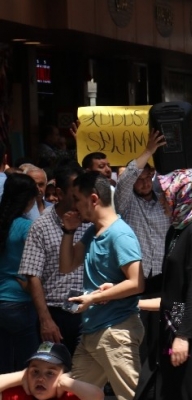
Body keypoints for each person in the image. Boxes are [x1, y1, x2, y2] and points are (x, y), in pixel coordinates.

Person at [135, 169, 192, 400]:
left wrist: (183, 336)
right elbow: (173, 289)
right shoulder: (176, 230)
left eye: (167, 194)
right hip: (173, 330)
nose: (162, 200)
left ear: (185, 195)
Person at [58, 172, 145, 400]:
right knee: (74, 394)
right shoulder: (92, 231)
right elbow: (67, 265)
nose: (73, 205)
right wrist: (68, 230)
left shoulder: (120, 234)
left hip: (115, 332)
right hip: (93, 332)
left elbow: (137, 283)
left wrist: (92, 299)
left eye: (77, 199)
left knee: (132, 395)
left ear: (94, 199)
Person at [114, 131, 171, 381]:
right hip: (135, 278)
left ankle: (164, 376)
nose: (144, 181)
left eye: (149, 175)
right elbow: (126, 182)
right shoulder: (125, 203)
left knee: (167, 328)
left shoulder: (166, 202)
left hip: (163, 274)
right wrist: (147, 151)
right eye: (140, 176)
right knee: (138, 334)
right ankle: (138, 381)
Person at [19, 165, 88, 355]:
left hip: (90, 313)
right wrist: (46, 320)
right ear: (59, 193)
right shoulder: (40, 226)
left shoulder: (92, 222)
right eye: (74, 195)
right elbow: (33, 276)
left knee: (88, 378)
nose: (80, 201)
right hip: (56, 316)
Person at [0, 174, 40, 374]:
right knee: (29, 367)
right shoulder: (26, 227)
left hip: (2, 301)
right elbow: (37, 267)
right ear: (29, 200)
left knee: (4, 366)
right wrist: (29, 286)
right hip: (20, 301)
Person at [0, 341, 104, 400]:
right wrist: (21, 376)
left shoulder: (69, 396)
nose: (40, 378)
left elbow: (96, 396)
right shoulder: (19, 394)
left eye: (50, 373)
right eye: (35, 371)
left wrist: (65, 382)